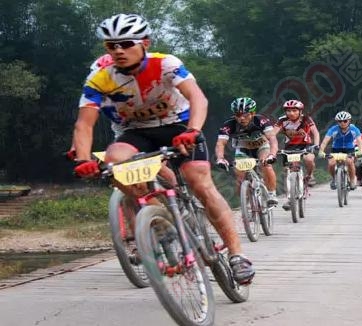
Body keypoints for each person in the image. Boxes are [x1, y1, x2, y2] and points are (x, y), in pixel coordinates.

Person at [70, 13, 254, 284]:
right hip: (135, 132)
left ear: (145, 42)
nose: (119, 50)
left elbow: (197, 98)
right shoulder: (100, 77)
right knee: (114, 161)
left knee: (199, 183)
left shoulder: (166, 64)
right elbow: (84, 125)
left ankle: (237, 256)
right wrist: (83, 159)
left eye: (126, 43)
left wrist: (192, 130)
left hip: (177, 126)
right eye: (111, 45)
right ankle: (161, 219)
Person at [215, 97, 279, 206]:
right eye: (238, 115)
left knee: (266, 165)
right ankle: (247, 203)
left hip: (261, 147)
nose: (242, 118)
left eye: (246, 115)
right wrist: (220, 158)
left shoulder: (261, 120)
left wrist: (272, 155)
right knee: (240, 176)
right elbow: (220, 143)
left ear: (253, 113)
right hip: (243, 149)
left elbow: (272, 139)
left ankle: (272, 193)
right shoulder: (229, 125)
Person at [273, 99, 320, 210]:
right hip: (289, 148)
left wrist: (316, 145)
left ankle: (310, 175)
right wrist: (272, 147)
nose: (291, 113)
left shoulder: (306, 119)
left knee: (309, 159)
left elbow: (315, 132)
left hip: (306, 146)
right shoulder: (282, 120)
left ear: (300, 111)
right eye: (288, 111)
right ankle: (290, 198)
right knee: (288, 172)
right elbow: (272, 134)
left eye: (294, 110)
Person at [318, 111, 362, 190]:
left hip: (349, 149)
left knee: (350, 162)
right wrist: (321, 151)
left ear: (349, 121)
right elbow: (325, 141)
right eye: (340, 121)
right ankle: (333, 179)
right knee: (331, 163)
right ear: (337, 122)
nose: (343, 123)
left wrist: (360, 150)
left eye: (345, 121)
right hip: (336, 148)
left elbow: (359, 141)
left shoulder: (354, 129)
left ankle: (352, 181)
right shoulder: (333, 129)